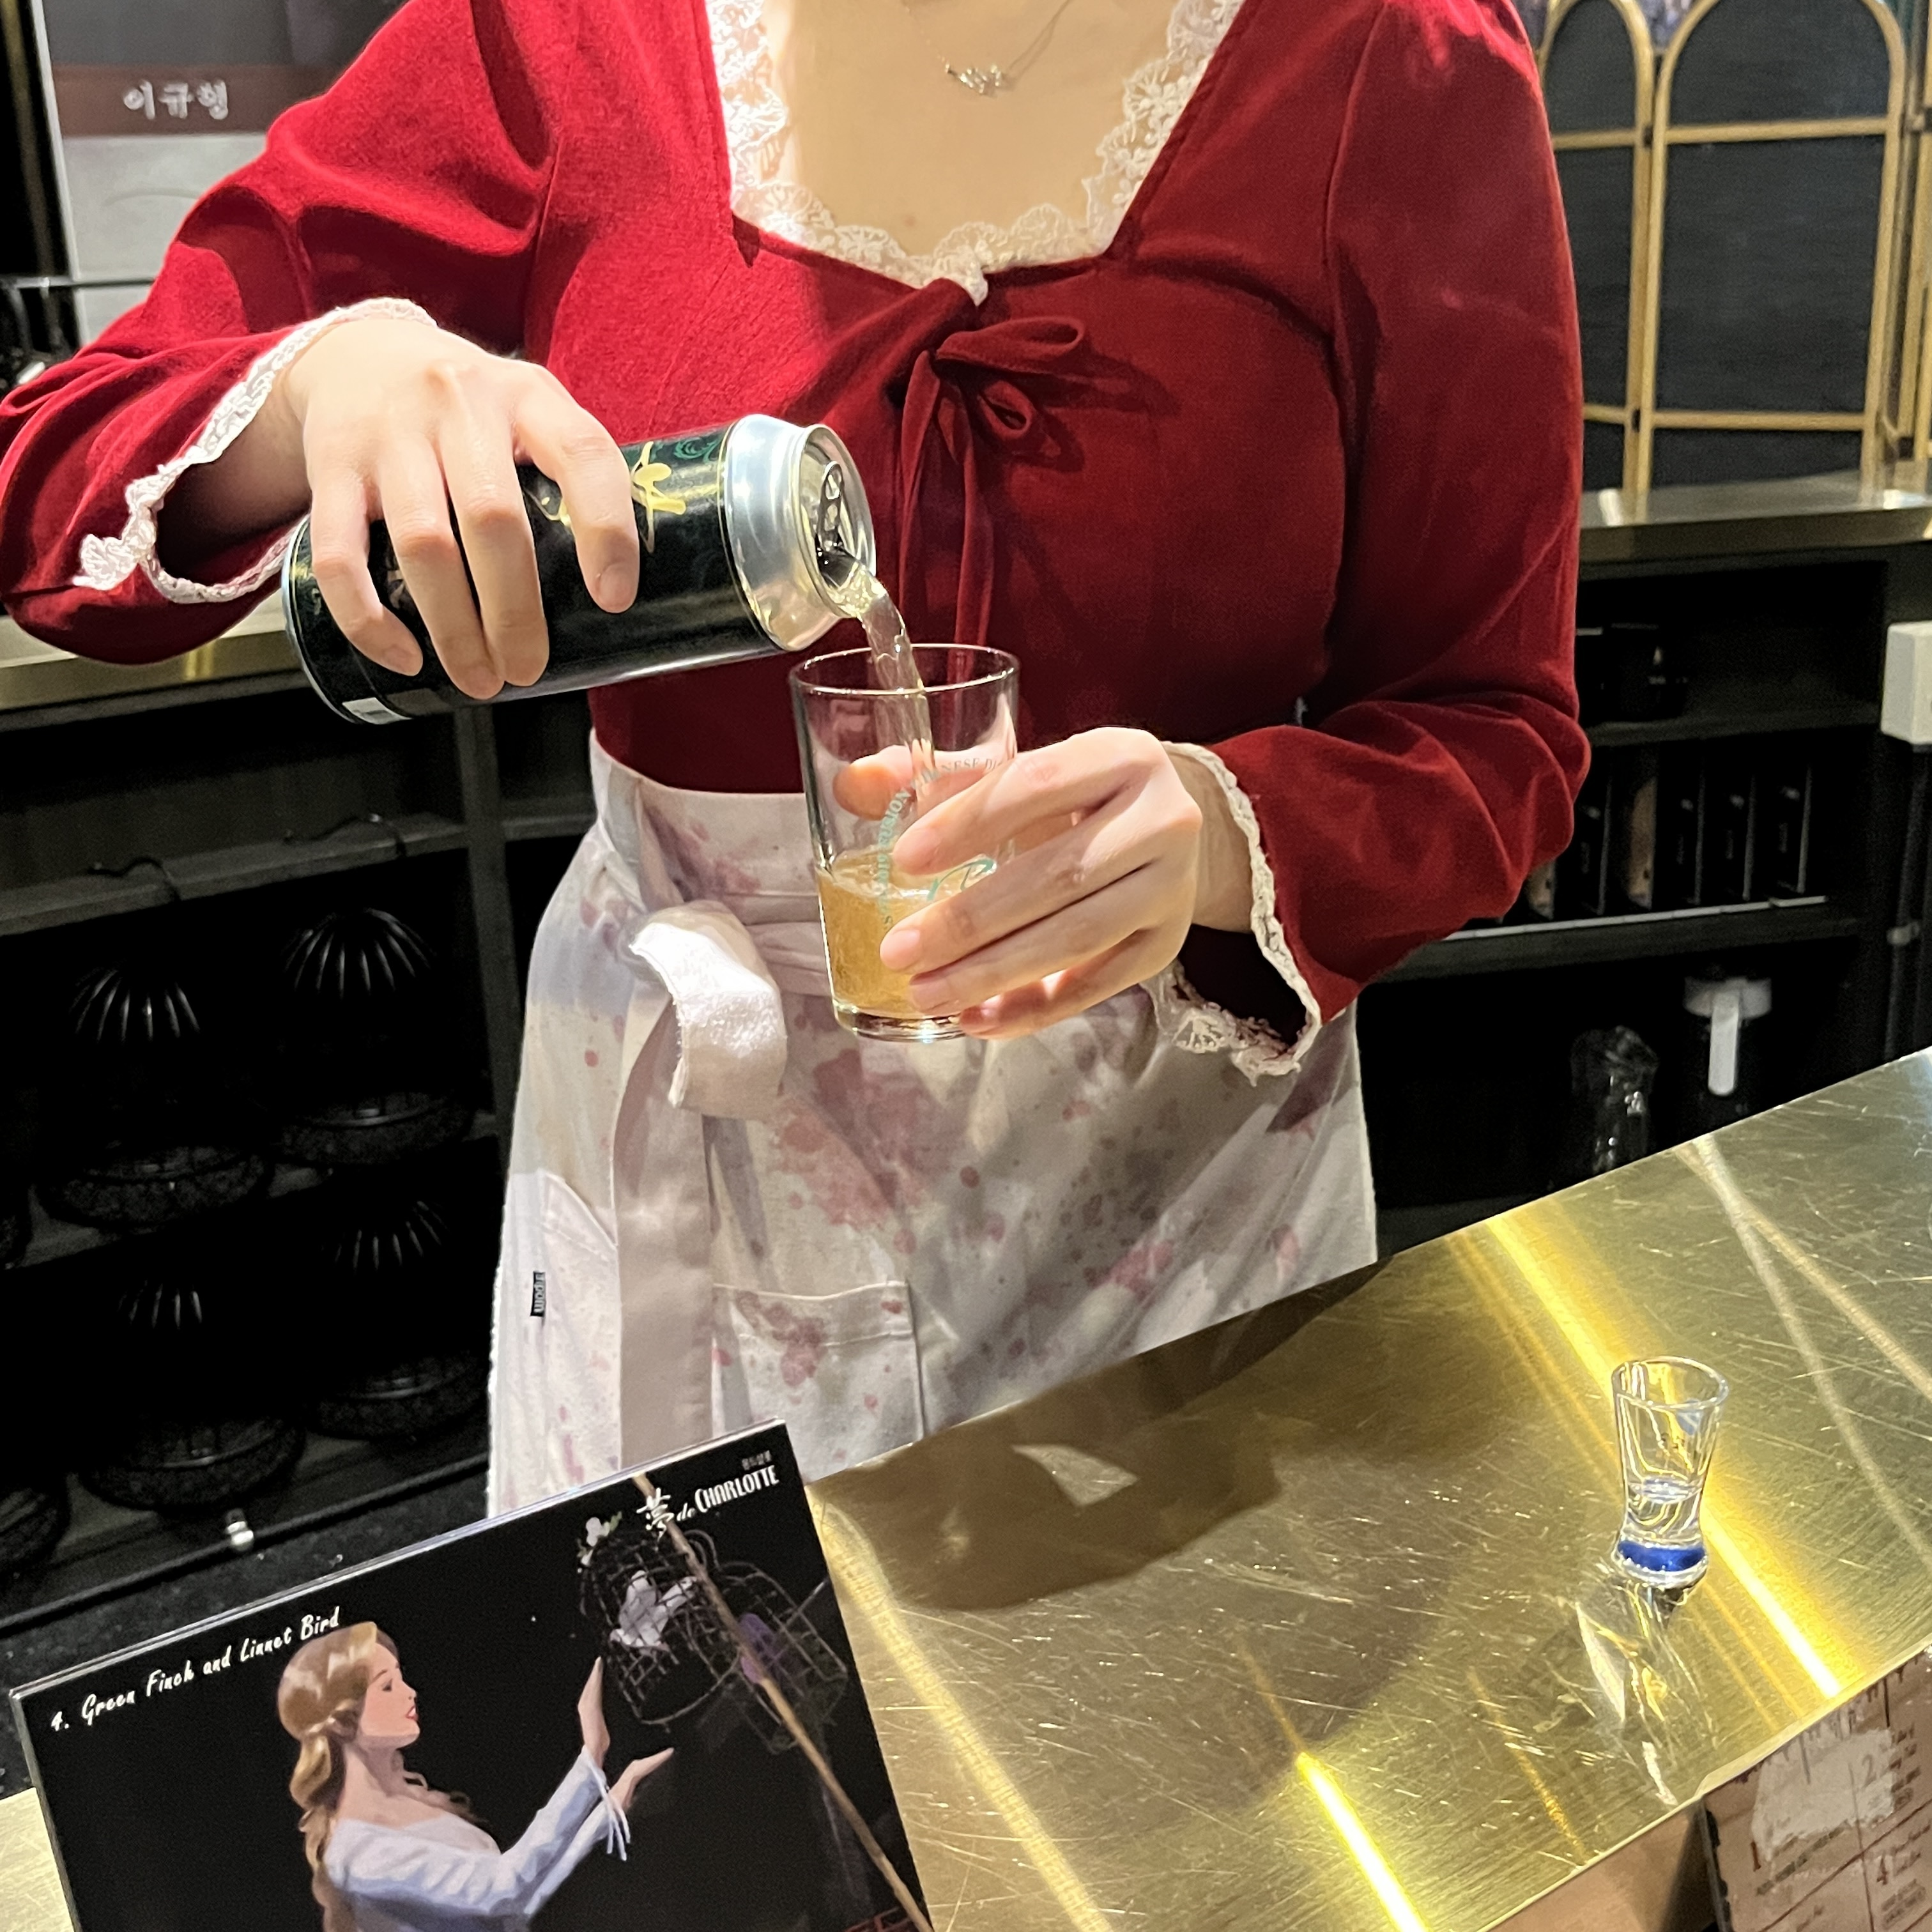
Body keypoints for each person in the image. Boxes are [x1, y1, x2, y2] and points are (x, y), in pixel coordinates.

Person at [0, 0, 1586, 1503]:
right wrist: (323, 384)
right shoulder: (574, 34)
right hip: (701, 1159)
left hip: (1177, 1206)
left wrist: (1225, 835)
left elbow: (1494, 727)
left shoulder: (1391, 57)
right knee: (701, 1681)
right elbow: (58, 470)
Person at [276, 1624, 670, 1932]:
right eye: (388, 1686)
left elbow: (515, 1912)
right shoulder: (359, 1855)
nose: (410, 1693)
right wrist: (591, 1758)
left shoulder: (411, 1803)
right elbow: (503, 1889)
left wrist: (605, 1811)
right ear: (343, 1722)